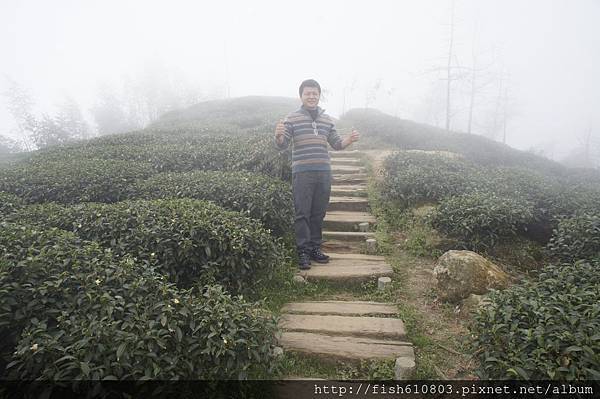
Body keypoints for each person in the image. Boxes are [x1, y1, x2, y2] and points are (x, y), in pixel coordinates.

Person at [274, 79, 360, 270]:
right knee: (302, 213)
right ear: (301, 96)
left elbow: (337, 144)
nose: (311, 96)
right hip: (302, 173)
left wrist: (349, 140)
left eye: (315, 93)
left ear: (319, 95)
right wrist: (279, 135)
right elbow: (283, 144)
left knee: (318, 213)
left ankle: (314, 248)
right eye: (308, 93)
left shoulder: (327, 119)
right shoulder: (292, 118)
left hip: (323, 172)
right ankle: (303, 252)